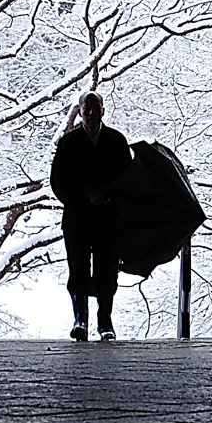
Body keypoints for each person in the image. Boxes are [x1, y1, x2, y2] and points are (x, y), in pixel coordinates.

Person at [50, 91, 132, 341]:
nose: (92, 113)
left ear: (104, 110)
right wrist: (84, 194)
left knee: (108, 270)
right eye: (87, 108)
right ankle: (80, 320)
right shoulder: (68, 143)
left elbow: (128, 178)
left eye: (96, 108)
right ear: (79, 111)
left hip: (109, 218)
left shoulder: (117, 141)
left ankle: (105, 321)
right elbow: (58, 182)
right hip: (78, 218)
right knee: (78, 269)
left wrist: (111, 196)